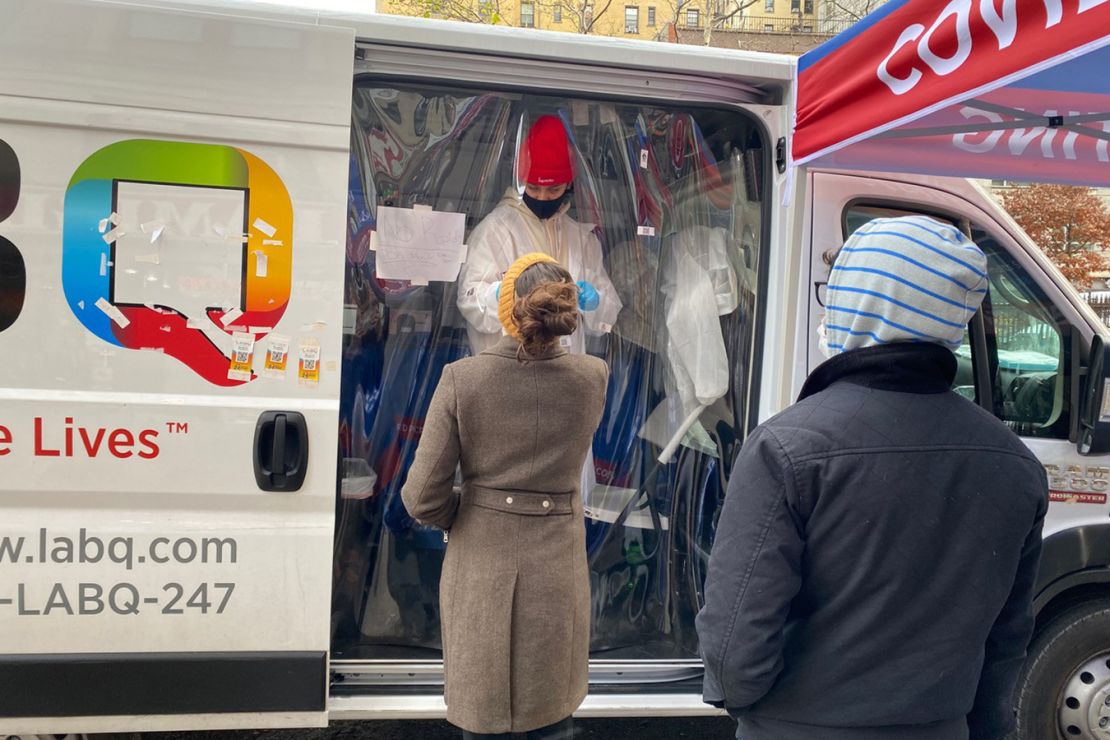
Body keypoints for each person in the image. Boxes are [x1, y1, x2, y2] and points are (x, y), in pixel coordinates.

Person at [695, 215, 1048, 740]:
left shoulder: (786, 448)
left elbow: (734, 645)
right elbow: (1007, 639)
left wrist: (754, 705)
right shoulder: (1015, 463)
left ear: (859, 301)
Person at [402, 252, 609, 739]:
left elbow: (420, 498)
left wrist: (465, 512)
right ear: (566, 310)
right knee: (551, 716)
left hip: (482, 566)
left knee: (483, 714)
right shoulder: (593, 377)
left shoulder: (463, 379)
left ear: (506, 309)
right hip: (557, 567)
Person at [457, 114, 621, 355]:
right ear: (521, 181)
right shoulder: (495, 231)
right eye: (534, 187)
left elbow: (608, 316)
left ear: (568, 186)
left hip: (565, 372)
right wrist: (501, 294)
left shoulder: (581, 239)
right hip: (512, 371)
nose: (543, 197)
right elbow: (469, 302)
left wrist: (595, 302)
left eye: (553, 189)